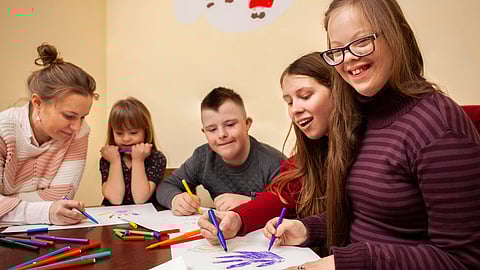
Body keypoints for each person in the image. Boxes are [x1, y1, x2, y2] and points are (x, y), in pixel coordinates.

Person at [265, 0, 480, 269]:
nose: (349, 58)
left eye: (362, 41)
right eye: (337, 50)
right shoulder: (362, 114)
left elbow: (463, 260)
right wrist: (308, 229)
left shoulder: (438, 126)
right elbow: (367, 217)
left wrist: (353, 261)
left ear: (395, 34)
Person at [197, 52, 338, 256]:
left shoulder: (368, 148)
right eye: (289, 102)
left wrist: (307, 229)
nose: (294, 110)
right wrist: (236, 219)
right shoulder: (309, 154)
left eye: (305, 96)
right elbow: (281, 196)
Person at [0, 43, 98, 225]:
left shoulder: (80, 133)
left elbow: (59, 196)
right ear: (37, 102)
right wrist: (46, 211)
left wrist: (8, 202)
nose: (77, 127)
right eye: (69, 116)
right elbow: (52, 205)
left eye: (83, 117)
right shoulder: (3, 130)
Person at [156, 87, 285, 215]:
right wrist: (175, 199)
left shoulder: (274, 162)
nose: (222, 134)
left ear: (247, 124)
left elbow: (293, 206)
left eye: (230, 125)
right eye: (212, 129)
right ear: (204, 132)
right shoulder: (203, 157)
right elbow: (165, 186)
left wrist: (252, 203)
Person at [100, 97, 166, 206]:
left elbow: (140, 198)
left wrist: (138, 160)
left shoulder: (156, 158)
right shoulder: (109, 157)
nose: (126, 139)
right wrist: (114, 162)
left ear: (146, 131)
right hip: (114, 217)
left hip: (147, 217)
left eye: (133, 133)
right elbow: (115, 199)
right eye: (119, 133)